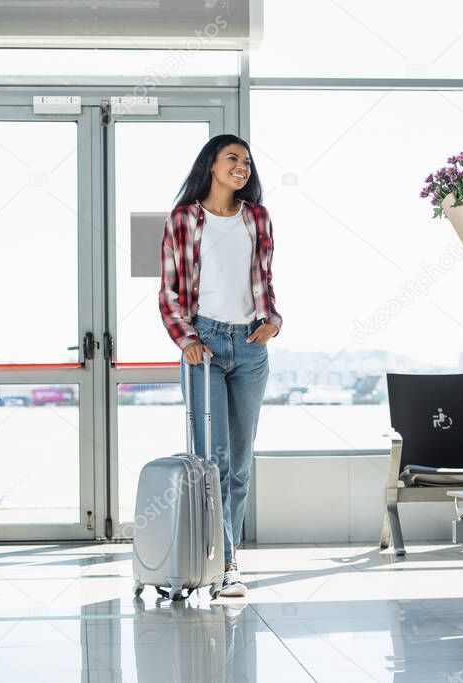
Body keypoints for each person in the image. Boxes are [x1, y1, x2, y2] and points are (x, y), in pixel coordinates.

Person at [159, 134, 281, 598]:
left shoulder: (257, 218)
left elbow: (265, 280)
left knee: (240, 464)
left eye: (247, 161)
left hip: (251, 346)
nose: (242, 167)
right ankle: (217, 561)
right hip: (204, 344)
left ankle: (228, 562)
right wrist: (186, 339)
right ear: (211, 164)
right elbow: (170, 290)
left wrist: (273, 320)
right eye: (233, 158)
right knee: (212, 461)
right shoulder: (184, 219)